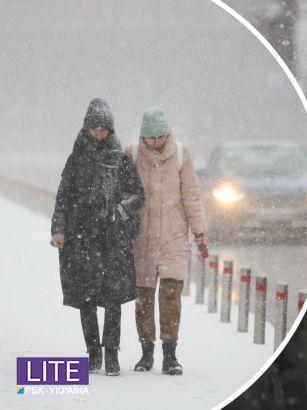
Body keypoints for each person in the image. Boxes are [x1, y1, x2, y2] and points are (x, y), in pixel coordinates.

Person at [50, 98, 144, 376]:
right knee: (86, 298)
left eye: (104, 128)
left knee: (113, 299)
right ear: (86, 129)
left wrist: (121, 208)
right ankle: (93, 353)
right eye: (95, 128)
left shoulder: (120, 159)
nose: (100, 133)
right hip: (81, 238)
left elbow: (138, 195)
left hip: (112, 237)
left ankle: (111, 354)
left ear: (111, 130)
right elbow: (63, 197)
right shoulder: (75, 159)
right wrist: (59, 229)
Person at [127, 107, 208, 375]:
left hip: (174, 237)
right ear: (143, 137)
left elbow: (191, 195)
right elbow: (125, 194)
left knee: (171, 297)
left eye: (161, 136)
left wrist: (199, 232)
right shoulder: (133, 154)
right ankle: (146, 352)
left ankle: (170, 355)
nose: (157, 142)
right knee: (144, 298)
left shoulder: (182, 155)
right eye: (152, 138)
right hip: (143, 238)